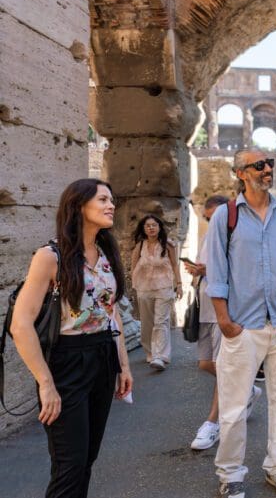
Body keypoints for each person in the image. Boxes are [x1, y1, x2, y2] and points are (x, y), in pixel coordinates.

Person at [11, 178, 133, 498]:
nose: (111, 206)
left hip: (103, 356)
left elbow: (111, 311)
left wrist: (123, 365)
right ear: (79, 206)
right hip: (67, 362)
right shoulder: (50, 256)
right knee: (70, 463)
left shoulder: (106, 252)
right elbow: (20, 323)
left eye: (112, 200)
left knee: (87, 460)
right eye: (103, 200)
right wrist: (45, 383)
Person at [206, 149, 276, 498]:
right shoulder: (226, 216)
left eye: (270, 164)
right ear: (240, 173)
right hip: (243, 325)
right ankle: (230, 472)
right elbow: (216, 272)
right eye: (259, 166)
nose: (267, 170)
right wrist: (225, 322)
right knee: (233, 406)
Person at [186, 195, 262, 451]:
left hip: (227, 308)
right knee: (205, 363)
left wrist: (207, 270)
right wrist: (198, 270)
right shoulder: (210, 235)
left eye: (215, 214)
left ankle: (212, 423)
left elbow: (244, 269)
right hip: (206, 305)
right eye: (208, 216)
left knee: (223, 365)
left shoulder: (239, 235)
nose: (212, 219)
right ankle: (246, 387)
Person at [130, 214, 182, 370]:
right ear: (144, 229)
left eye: (154, 225)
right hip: (144, 288)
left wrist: (178, 284)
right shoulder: (140, 246)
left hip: (164, 286)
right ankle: (150, 351)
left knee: (161, 321)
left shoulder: (168, 245)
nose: (151, 228)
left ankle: (160, 355)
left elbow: (174, 265)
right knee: (147, 322)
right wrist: (135, 285)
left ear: (159, 228)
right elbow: (133, 266)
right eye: (147, 226)